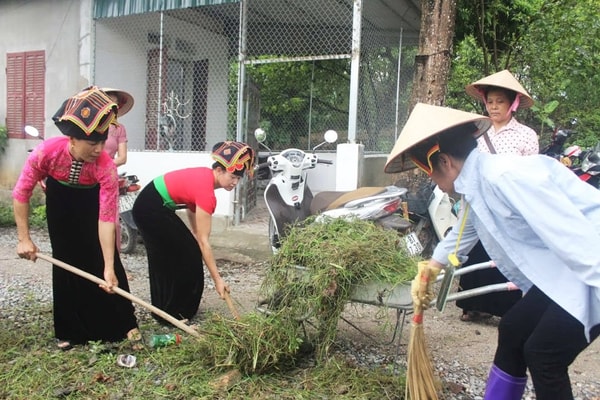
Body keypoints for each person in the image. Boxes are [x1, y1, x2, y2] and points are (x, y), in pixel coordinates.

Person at [386, 103, 600, 399]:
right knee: (513, 329)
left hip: (590, 267)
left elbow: (577, 237)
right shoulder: (477, 185)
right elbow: (464, 231)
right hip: (565, 273)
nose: (433, 183)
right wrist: (430, 269)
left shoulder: (505, 177)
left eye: (430, 175)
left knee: (544, 355)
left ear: (446, 162)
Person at [12, 86, 142, 350]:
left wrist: (108, 265)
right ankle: (70, 330)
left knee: (104, 260)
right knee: (65, 258)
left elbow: (107, 218)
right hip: (59, 201)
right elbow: (21, 192)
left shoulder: (105, 165)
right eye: (92, 143)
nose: (98, 149)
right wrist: (24, 238)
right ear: (72, 140)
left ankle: (123, 324)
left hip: (90, 201)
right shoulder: (46, 153)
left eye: (102, 142)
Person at [132, 141, 254, 324]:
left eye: (238, 178)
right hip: (149, 209)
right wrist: (218, 280)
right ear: (219, 170)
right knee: (180, 256)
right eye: (232, 177)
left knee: (184, 251)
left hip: (155, 206)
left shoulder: (205, 178)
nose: (235, 182)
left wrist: (195, 235)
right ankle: (172, 313)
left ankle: (173, 309)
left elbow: (191, 207)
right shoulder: (207, 193)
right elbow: (205, 242)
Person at [454, 69, 539, 321]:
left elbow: (530, 173)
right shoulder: (477, 133)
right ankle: (472, 306)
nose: (493, 107)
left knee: (504, 255)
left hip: (509, 207)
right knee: (476, 251)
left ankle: (505, 310)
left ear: (512, 104)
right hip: (479, 202)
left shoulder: (526, 135)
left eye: (499, 101)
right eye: (489, 101)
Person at [102, 88, 134, 167]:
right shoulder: (87, 125)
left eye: (114, 104)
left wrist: (103, 168)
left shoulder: (119, 129)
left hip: (107, 172)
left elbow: (122, 158)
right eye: (107, 102)